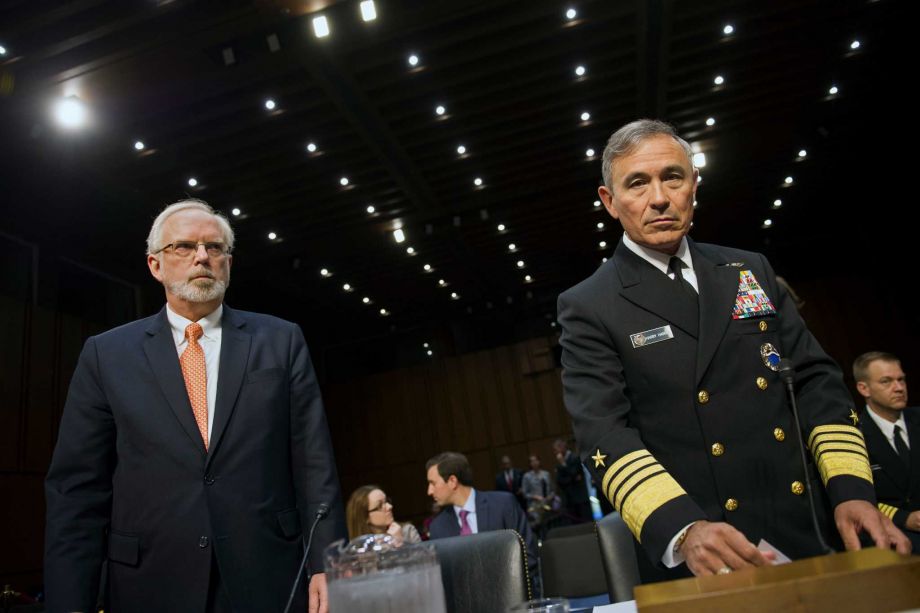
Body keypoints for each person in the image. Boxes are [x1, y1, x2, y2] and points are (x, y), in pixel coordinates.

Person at [557, 119, 910, 580]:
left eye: (673, 177)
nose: (659, 198)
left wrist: (851, 491)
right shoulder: (589, 304)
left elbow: (815, 382)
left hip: (810, 530)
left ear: (694, 186)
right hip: (706, 550)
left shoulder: (749, 270)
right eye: (638, 183)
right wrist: (684, 529)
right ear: (609, 201)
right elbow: (603, 434)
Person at [44, 199, 346, 613]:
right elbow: (77, 490)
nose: (202, 256)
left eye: (215, 248)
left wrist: (326, 563)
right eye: (183, 247)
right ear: (155, 265)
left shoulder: (280, 340)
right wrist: (68, 603)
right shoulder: (106, 355)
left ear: (228, 264)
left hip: (270, 576)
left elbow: (314, 463)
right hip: (149, 583)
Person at [425, 451, 538, 572]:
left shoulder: (503, 505)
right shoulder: (438, 527)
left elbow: (528, 556)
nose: (429, 491)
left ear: (452, 481)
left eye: (433, 483)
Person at [854, 352, 920, 551]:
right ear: (864, 388)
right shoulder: (854, 433)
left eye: (901, 380)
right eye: (886, 381)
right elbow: (854, 495)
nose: (899, 388)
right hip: (889, 534)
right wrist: (903, 518)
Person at [346, 485, 421, 545]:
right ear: (365, 517)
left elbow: (423, 561)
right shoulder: (360, 546)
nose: (389, 507)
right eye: (379, 506)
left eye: (386, 501)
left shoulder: (408, 531)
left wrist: (399, 543)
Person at [553, 439, 592, 523]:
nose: (555, 452)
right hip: (569, 500)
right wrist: (571, 478)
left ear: (562, 447)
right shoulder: (559, 462)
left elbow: (574, 473)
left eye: (556, 450)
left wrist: (563, 464)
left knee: (587, 524)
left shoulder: (575, 457)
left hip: (580, 498)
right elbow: (559, 480)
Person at [521, 454, 555, 538]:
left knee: (549, 526)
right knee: (537, 528)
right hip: (534, 506)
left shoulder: (546, 474)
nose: (534, 462)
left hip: (547, 504)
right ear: (530, 464)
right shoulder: (527, 476)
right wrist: (535, 496)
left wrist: (550, 497)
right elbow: (525, 494)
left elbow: (552, 490)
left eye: (535, 460)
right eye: (532, 461)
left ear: (539, 461)